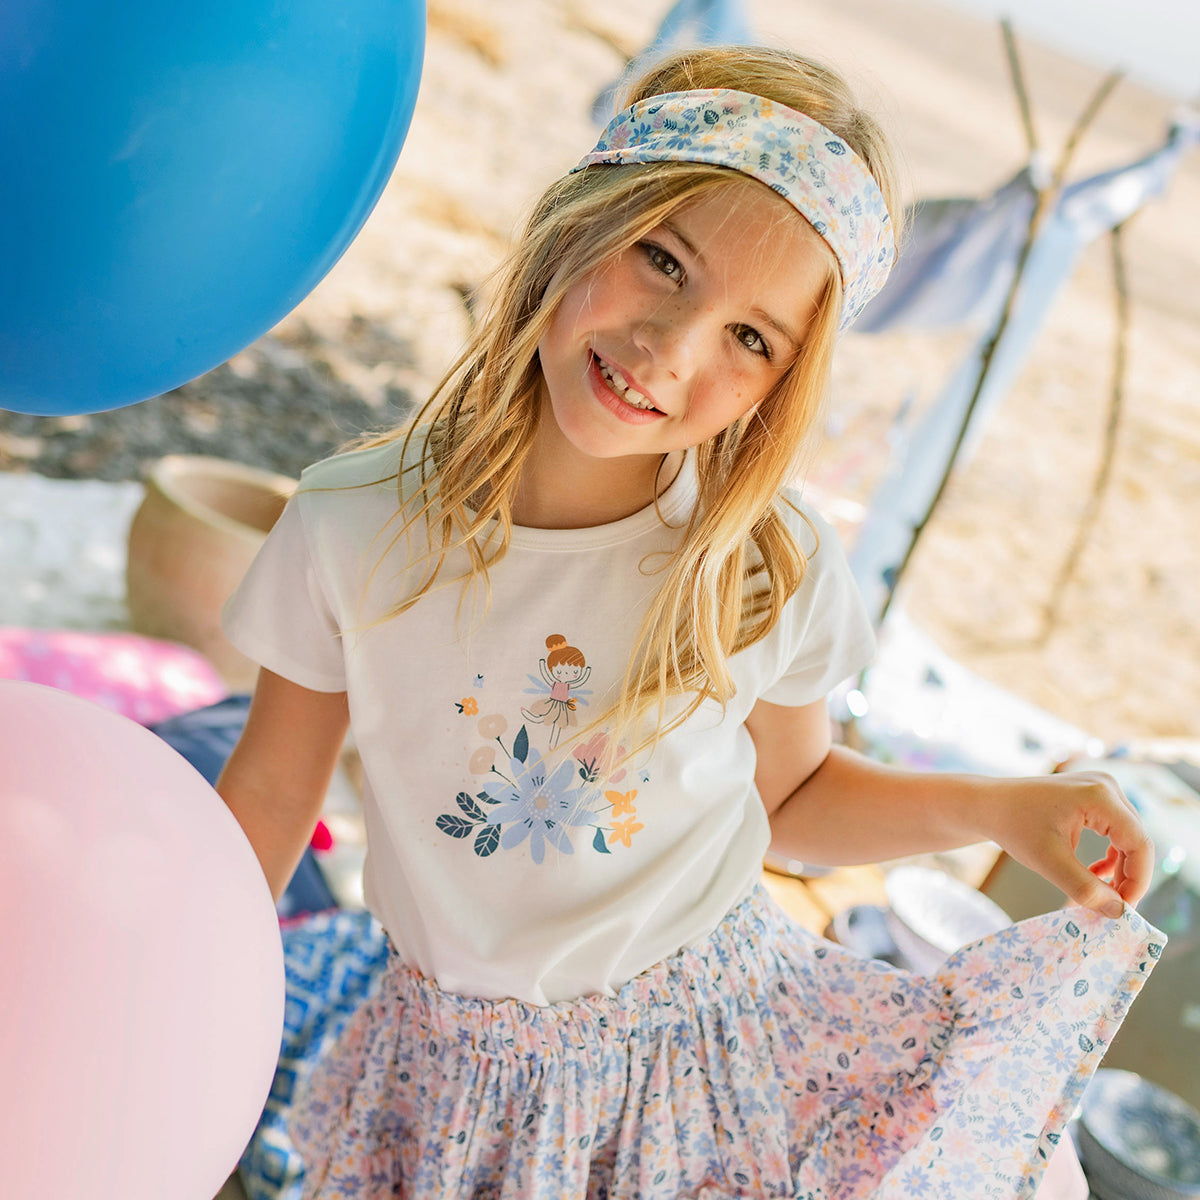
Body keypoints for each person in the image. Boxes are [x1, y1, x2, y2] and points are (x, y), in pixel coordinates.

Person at [218, 44, 1163, 1200]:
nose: (673, 346)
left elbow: (795, 800)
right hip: (454, 1084)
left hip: (710, 1068)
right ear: (582, 221)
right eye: (662, 260)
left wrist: (999, 808)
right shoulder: (351, 526)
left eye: (750, 338)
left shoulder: (761, 566)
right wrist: (182, 992)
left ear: (780, 387)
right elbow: (269, 796)